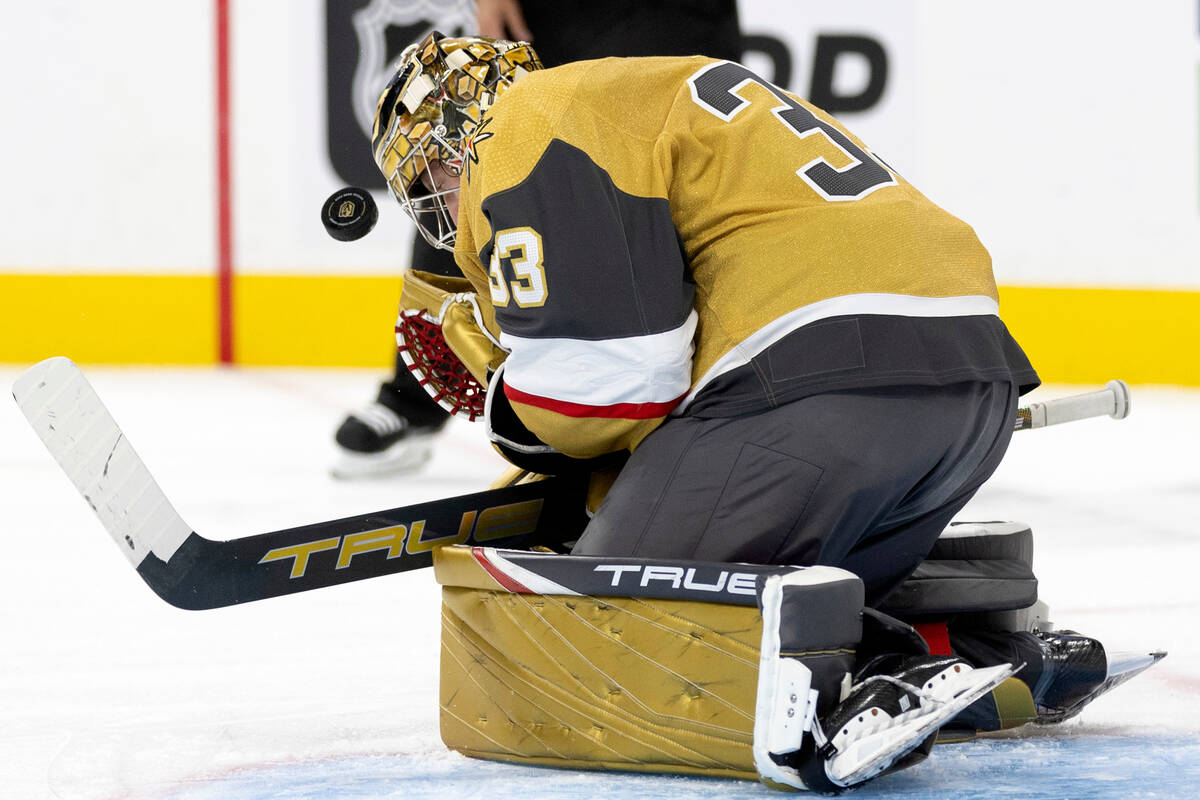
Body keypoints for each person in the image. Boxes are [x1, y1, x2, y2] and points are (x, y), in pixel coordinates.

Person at [365, 32, 1069, 788]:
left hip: (821, 398)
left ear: (454, 127)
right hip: (970, 391)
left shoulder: (526, 123)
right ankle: (986, 644)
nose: (436, 193)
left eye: (429, 169)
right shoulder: (640, 94)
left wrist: (512, 404)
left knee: (588, 625)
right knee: (795, 569)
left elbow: (615, 381)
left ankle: (867, 679)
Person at [332, 0, 742, 478]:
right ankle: (420, 393)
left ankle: (684, 401)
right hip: (550, 13)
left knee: (650, 162)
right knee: (468, 149)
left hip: (663, 17)